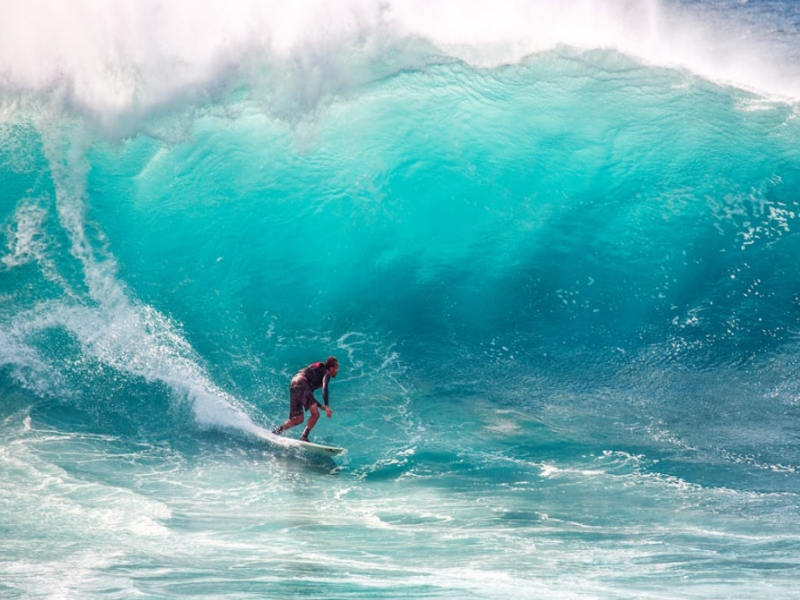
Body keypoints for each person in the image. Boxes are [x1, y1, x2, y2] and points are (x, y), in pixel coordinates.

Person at [272, 356, 339, 442]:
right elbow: (324, 388)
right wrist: (326, 406)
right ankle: (304, 436)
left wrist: (320, 406)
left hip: (294, 383)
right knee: (316, 414)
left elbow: (308, 394)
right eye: (336, 368)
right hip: (302, 383)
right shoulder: (326, 373)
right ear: (331, 368)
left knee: (298, 419)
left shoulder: (318, 372)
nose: (337, 371)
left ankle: (277, 431)